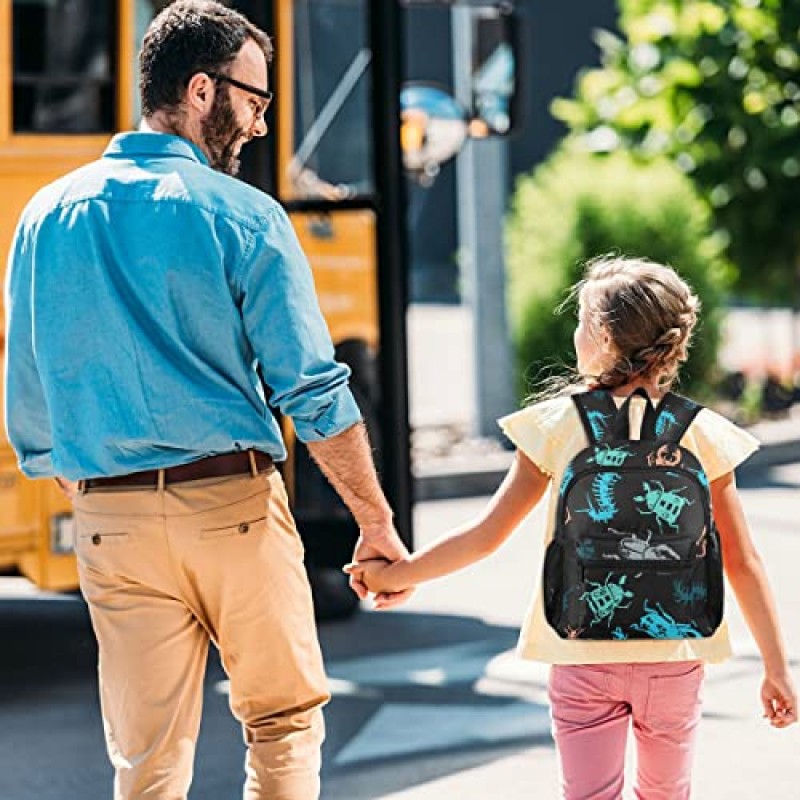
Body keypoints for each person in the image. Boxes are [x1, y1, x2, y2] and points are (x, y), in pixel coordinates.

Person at [4, 2, 409, 798]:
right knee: (283, 723)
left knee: (146, 759)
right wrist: (374, 521)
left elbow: (29, 385)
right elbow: (312, 388)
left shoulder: (45, 215)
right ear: (200, 89)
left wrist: (95, 488)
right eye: (254, 101)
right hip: (231, 507)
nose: (258, 125)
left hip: (109, 521)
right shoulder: (243, 215)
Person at [347, 256, 798, 799]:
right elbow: (742, 561)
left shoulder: (558, 424)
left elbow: (487, 533)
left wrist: (398, 573)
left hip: (581, 650)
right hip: (674, 657)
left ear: (604, 337)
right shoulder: (699, 432)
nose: (577, 331)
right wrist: (776, 668)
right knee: (667, 793)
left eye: (583, 321)